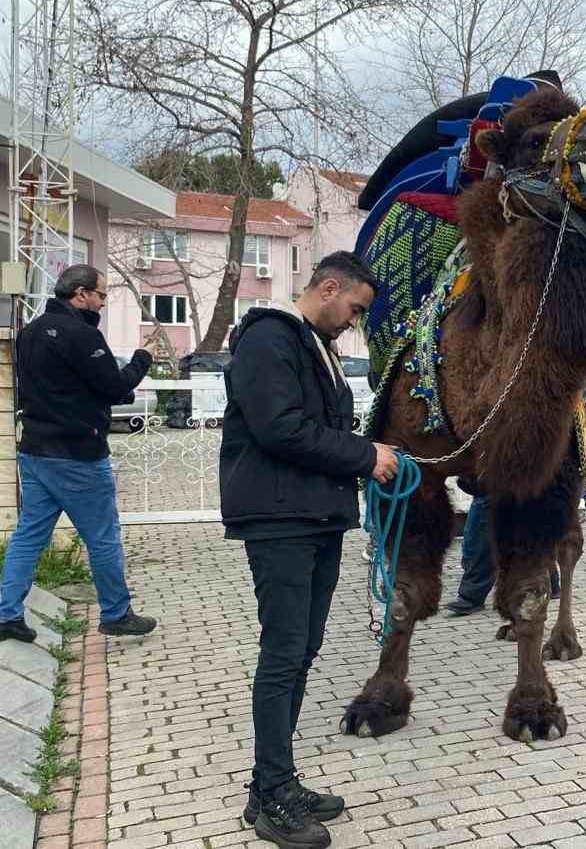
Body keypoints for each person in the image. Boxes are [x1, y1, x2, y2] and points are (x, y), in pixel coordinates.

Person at [220, 252, 400, 849]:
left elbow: (320, 426)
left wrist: (368, 455)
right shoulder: (269, 340)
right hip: (280, 520)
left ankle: (275, 781)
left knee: (302, 651)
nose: (354, 321)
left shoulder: (311, 343)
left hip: (314, 516)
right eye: (354, 309)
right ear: (328, 288)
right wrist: (363, 455)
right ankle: (271, 796)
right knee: (284, 653)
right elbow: (281, 428)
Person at [0, 265, 158, 643]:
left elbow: (72, 385)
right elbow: (113, 386)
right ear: (80, 294)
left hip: (34, 449)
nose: (102, 302)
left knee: (29, 535)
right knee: (102, 536)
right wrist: (142, 358)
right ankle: (116, 613)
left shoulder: (30, 332)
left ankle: (6, 615)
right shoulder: (81, 335)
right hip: (77, 455)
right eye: (101, 294)